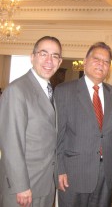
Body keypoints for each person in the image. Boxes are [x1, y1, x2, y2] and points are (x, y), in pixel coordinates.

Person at [55, 42, 112, 207]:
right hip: (73, 172)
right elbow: (57, 135)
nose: (101, 64)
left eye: (106, 62)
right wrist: (60, 169)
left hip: (106, 171)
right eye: (97, 59)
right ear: (85, 61)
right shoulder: (64, 91)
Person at [0, 36, 63, 207]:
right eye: (43, 54)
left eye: (55, 56)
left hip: (45, 184)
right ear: (32, 56)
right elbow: (11, 144)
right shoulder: (17, 90)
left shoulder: (51, 91)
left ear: (59, 62)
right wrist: (21, 186)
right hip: (23, 188)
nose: (49, 60)